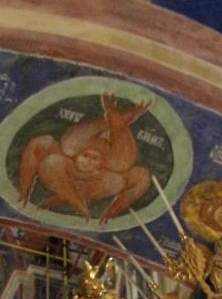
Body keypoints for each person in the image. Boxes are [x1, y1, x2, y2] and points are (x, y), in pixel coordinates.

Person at [19, 94, 152, 223]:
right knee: (48, 154)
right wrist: (25, 191)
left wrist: (115, 209)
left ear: (102, 163)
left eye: (94, 159)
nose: (88, 162)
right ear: (77, 154)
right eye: (85, 155)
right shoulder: (69, 149)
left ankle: (102, 212)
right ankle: (25, 194)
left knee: (130, 178)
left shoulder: (112, 171)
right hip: (59, 176)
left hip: (96, 184)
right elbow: (40, 149)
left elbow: (135, 174)